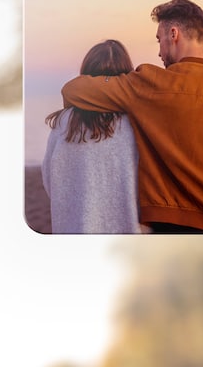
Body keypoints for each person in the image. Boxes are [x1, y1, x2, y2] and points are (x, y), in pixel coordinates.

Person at [61, 0, 203, 234]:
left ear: (173, 34)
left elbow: (73, 90)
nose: (159, 52)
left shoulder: (148, 84)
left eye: (159, 40)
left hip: (173, 226)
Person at [42, 40, 142, 234]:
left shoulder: (64, 122)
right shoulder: (136, 123)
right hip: (126, 233)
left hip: (72, 232)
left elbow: (49, 180)